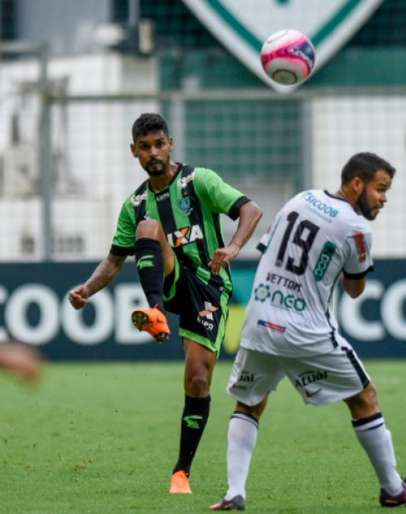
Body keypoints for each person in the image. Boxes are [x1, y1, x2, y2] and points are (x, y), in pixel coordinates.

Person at [209, 152, 406, 511]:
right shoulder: (358, 228)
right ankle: (393, 488)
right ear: (356, 183)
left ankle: (234, 493)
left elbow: (271, 249)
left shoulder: (301, 198)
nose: (384, 198)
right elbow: (354, 289)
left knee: (250, 402)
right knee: (365, 398)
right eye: (380, 189)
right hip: (306, 331)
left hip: (259, 321)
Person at [67, 113, 262, 494]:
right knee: (147, 230)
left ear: (170, 143)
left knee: (198, 379)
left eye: (159, 144)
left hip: (209, 287)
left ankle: (181, 472)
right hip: (171, 284)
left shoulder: (198, 181)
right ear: (133, 151)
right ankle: (155, 311)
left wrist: (234, 246)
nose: (153, 153)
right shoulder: (136, 203)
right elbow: (114, 260)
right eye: (145, 147)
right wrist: (86, 291)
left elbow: (251, 210)